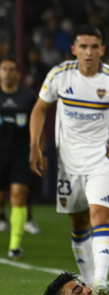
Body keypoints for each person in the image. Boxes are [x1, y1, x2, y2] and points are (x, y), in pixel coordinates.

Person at [29, 25, 109, 295]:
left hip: (103, 162)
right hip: (68, 165)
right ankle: (89, 283)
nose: (89, 52)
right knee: (77, 224)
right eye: (83, 46)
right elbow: (40, 109)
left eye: (94, 46)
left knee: (100, 215)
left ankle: (100, 280)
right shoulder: (59, 76)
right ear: (74, 49)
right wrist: (35, 145)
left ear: (102, 49)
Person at [0, 57, 37, 259]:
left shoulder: (28, 97)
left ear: (18, 73)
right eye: (4, 69)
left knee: (18, 194)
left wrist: (39, 149)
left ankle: (14, 245)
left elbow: (37, 124)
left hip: (20, 153)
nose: (7, 73)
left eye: (11, 69)